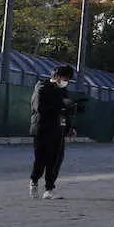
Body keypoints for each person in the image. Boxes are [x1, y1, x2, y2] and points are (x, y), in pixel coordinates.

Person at [29, 65, 77, 200]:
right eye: (64, 78)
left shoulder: (63, 91)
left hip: (58, 130)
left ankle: (49, 189)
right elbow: (40, 108)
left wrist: (70, 127)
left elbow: (66, 112)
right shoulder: (42, 88)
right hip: (42, 128)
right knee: (41, 159)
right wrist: (61, 107)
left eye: (68, 79)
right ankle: (34, 181)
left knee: (56, 159)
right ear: (56, 77)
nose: (66, 81)